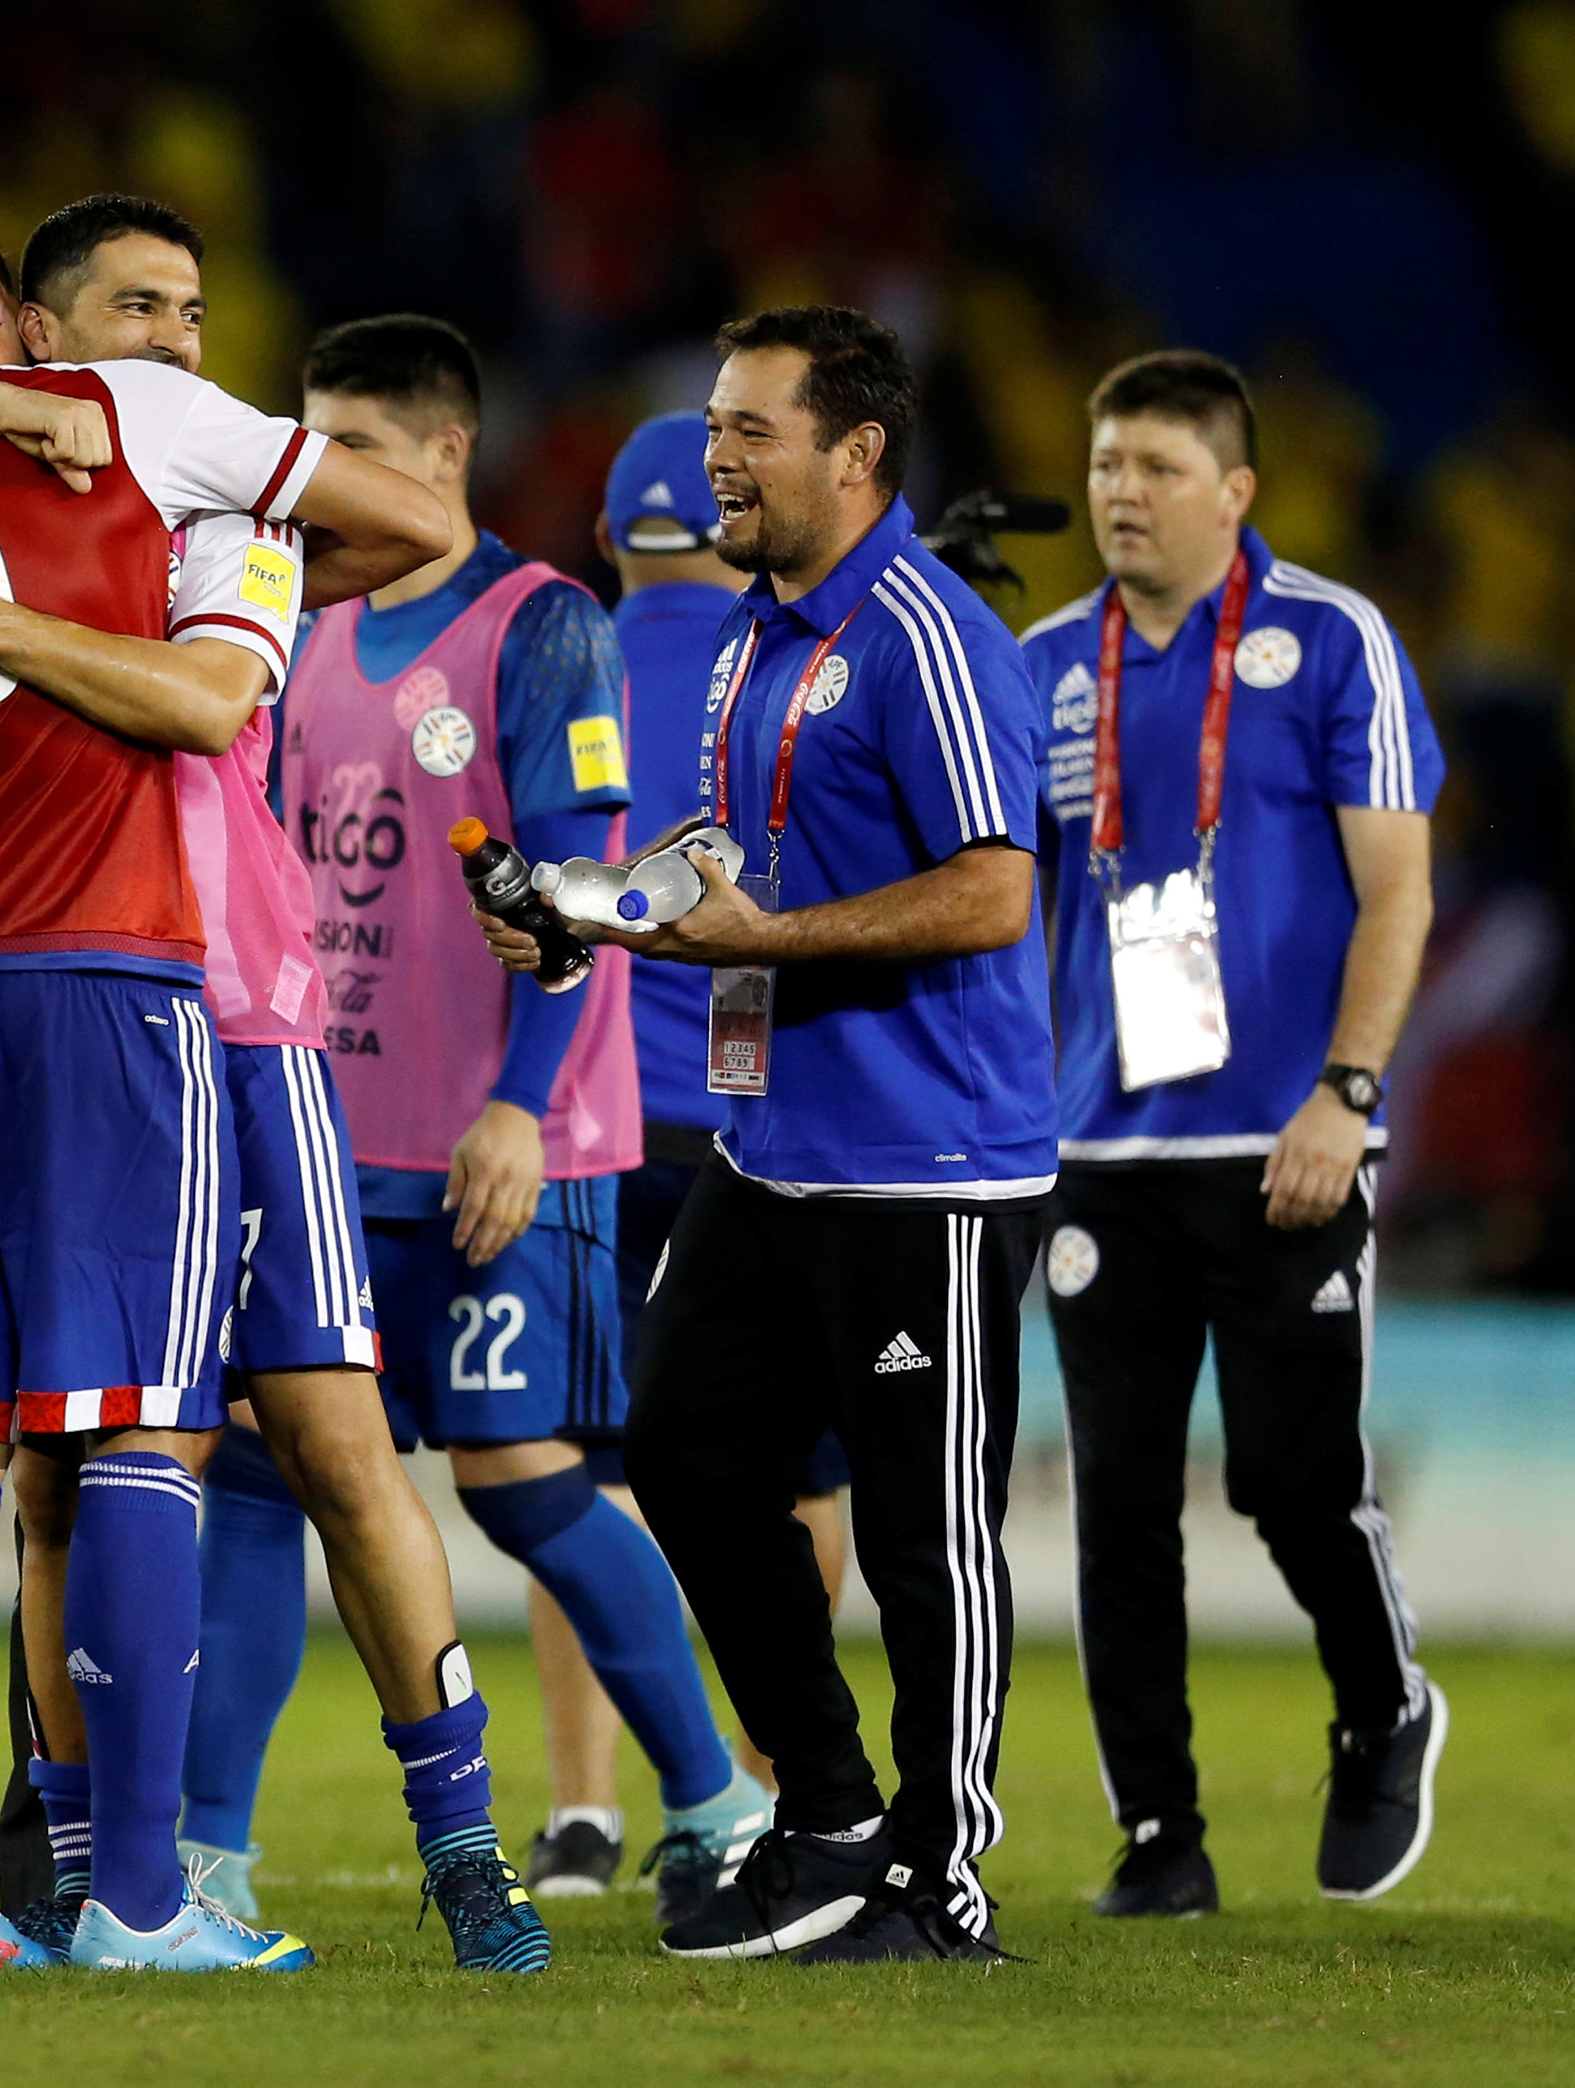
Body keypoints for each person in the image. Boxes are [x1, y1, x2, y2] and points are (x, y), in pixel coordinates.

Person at [0, 195, 539, 1972]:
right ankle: (125, 1890)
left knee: (58, 1441)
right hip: (124, 986)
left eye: (193, 310)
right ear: (27, 316)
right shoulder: (135, 433)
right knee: (120, 1442)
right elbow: (395, 537)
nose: (177, 342)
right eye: (138, 308)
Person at [484, 305, 1055, 1966]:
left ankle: (938, 1881)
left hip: (925, 1163)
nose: (718, 455)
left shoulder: (925, 637)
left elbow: (996, 887)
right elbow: (733, 862)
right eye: (716, 425)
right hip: (772, 1144)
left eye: (751, 429)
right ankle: (823, 1810)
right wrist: (591, 915)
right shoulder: (754, 635)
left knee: (919, 1525)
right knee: (682, 1454)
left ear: (858, 452)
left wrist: (765, 947)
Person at [248, 318, 761, 1930]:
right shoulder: (291, 628)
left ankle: (717, 1800)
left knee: (525, 1483)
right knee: (266, 1482)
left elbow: (582, 897)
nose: (322, 484)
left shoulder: (545, 631)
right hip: (327, 1148)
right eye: (308, 449)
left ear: (446, 451)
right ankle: (199, 1849)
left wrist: (519, 1111)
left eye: (355, 448)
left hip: (502, 1145)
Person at [1018, 350, 1446, 1916]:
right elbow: (1010, 912)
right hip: (1099, 1148)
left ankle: (1384, 1703)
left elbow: (1397, 890)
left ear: (1237, 491)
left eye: (1157, 468)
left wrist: (1344, 1090)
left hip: (1286, 1139)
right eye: (1107, 462)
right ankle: (1160, 1832)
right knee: (1117, 1502)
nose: (1122, 493)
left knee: (1290, 1476)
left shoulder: (1335, 642)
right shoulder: (1044, 662)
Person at [516, 412, 858, 1922]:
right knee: (802, 1472)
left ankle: (586, 1802)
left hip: (592, 1123)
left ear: (607, 534)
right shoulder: (779, 661)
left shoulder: (559, 648)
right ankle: (763, 1782)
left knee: (577, 1474)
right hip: (750, 1119)